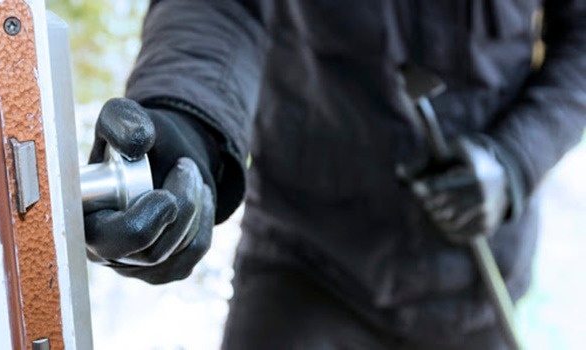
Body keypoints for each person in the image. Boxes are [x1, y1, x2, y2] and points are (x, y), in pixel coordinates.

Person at [84, 1, 586, 349]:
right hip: (306, 265)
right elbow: (222, 9)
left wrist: (517, 157)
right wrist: (187, 124)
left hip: (476, 283)